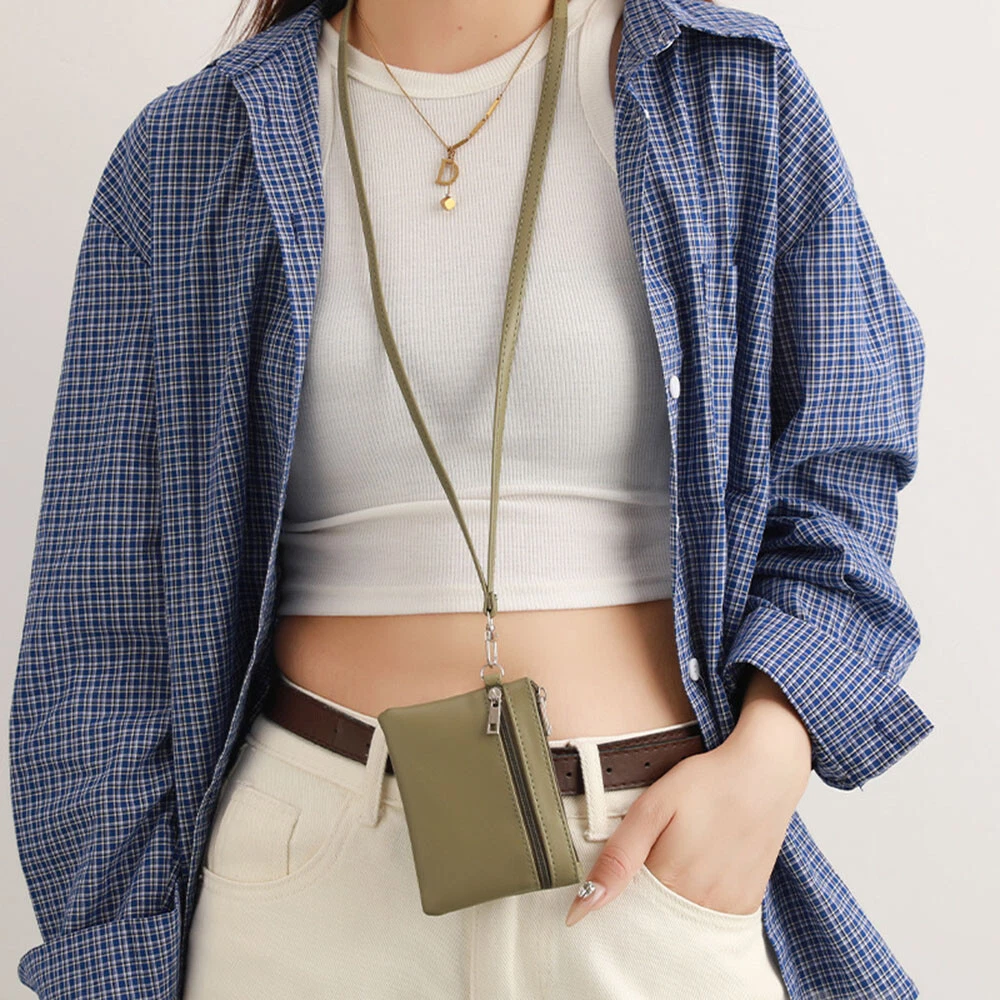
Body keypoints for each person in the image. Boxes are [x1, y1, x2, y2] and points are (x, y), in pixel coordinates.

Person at [9, 0, 935, 997]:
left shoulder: (722, 87)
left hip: (646, 856)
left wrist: (769, 757)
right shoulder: (190, 149)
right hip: (307, 881)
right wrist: (110, 959)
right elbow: (104, 608)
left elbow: (842, 453)